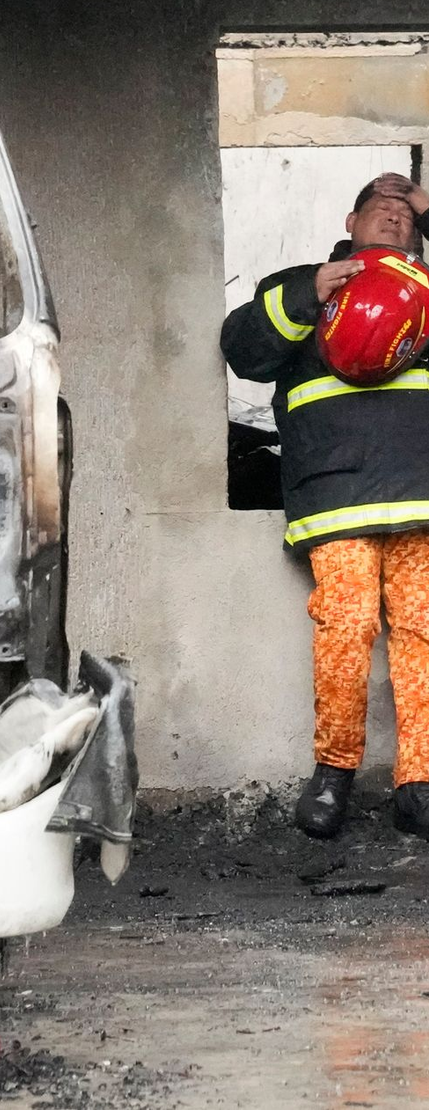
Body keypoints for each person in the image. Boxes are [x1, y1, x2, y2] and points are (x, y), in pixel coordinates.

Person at [221, 172, 429, 840]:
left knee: (424, 638)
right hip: (336, 496)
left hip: (421, 494)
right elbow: (242, 347)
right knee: (345, 626)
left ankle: (418, 784)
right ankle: (334, 771)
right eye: (382, 208)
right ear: (350, 218)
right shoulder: (304, 285)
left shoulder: (424, 295)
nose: (395, 219)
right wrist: (310, 292)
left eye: (407, 213)